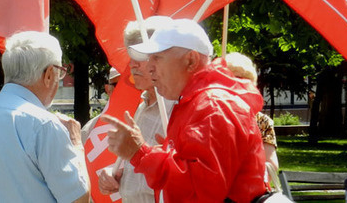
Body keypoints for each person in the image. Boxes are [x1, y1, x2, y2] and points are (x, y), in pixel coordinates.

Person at [102, 17, 268, 202]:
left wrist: (140, 153)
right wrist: (164, 154)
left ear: (191, 60)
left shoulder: (212, 107)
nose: (149, 67)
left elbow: (199, 194)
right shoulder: (200, 103)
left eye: (157, 57)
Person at [0, 31, 90, 202]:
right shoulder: (43, 124)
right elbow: (78, 199)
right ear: (48, 75)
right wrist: (76, 144)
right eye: (60, 72)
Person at [98, 17, 175, 202]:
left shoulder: (178, 108)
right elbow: (142, 167)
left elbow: (184, 176)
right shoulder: (143, 105)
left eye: (141, 55)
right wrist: (117, 174)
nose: (132, 64)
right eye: (130, 56)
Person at [225, 52, 280, 190]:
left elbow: (271, 165)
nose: (235, 86)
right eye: (229, 80)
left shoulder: (261, 121)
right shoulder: (211, 118)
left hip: (251, 191)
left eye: (242, 80)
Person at [81, 67, 121, 144]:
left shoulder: (143, 119)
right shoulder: (91, 129)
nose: (126, 91)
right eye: (119, 85)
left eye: (131, 86)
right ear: (108, 89)